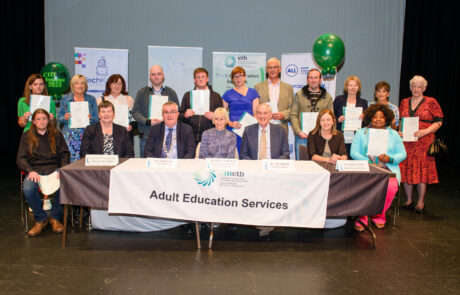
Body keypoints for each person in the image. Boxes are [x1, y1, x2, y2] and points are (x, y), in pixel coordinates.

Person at [351, 104, 406, 230]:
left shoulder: (394, 134)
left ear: (386, 118)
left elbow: (403, 154)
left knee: (391, 187)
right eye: (375, 117)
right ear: (370, 118)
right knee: (362, 186)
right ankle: (362, 217)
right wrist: (368, 162)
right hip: (366, 167)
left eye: (381, 117)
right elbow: (354, 153)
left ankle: (379, 215)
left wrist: (390, 159)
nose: (378, 119)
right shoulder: (361, 132)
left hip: (388, 168)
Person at [17, 109, 70, 237]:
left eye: (44, 118)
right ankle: (41, 219)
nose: (42, 121)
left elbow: (64, 154)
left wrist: (62, 169)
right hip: (35, 170)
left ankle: (55, 218)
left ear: (48, 120)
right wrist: (30, 171)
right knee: (28, 189)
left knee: (64, 184)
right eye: (38, 119)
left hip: (54, 168)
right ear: (33, 122)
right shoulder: (27, 136)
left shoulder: (56, 134)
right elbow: (21, 158)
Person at [399, 75, 443, 213]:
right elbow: (401, 120)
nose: (416, 89)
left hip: (424, 142)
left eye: (419, 86)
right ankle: (409, 199)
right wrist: (400, 131)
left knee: (421, 172)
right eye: (414, 86)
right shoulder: (404, 102)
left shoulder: (431, 102)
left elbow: (439, 122)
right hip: (407, 142)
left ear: (424, 88)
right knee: (406, 169)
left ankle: (420, 202)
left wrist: (425, 131)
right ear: (410, 87)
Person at [132, 65, 180, 157]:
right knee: (145, 167)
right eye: (153, 74)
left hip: (167, 137)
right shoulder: (141, 92)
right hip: (146, 136)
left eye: (159, 74)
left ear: (163, 75)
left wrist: (167, 119)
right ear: (150, 76)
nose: (156, 77)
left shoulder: (171, 93)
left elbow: (177, 112)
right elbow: (135, 112)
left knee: (165, 167)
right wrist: (147, 121)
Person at [290, 68, 334, 159]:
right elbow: (293, 115)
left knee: (320, 166)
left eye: (315, 77)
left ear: (320, 80)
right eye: (311, 78)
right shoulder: (299, 95)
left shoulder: (327, 97)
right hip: (302, 137)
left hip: (321, 137)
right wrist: (298, 132)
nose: (313, 80)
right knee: (302, 167)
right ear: (307, 80)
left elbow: (331, 117)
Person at [58, 75, 99, 162]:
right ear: (72, 85)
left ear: (85, 86)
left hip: (87, 135)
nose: (80, 86)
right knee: (69, 161)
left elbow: (97, 119)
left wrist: (90, 118)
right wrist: (65, 117)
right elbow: (59, 118)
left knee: (85, 161)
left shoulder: (91, 99)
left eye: (82, 83)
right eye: (77, 83)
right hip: (69, 135)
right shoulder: (65, 98)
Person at [179, 68, 223, 143]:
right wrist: (185, 115)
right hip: (190, 137)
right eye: (198, 77)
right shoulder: (187, 95)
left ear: (207, 79)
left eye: (203, 77)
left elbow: (222, 117)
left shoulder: (216, 96)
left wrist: (215, 117)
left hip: (210, 138)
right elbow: (179, 116)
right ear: (194, 80)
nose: (200, 79)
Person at [222, 66, 259, 151]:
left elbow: (256, 114)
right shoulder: (228, 94)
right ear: (232, 79)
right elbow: (221, 115)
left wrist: (249, 125)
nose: (238, 79)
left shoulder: (253, 93)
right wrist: (230, 123)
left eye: (241, 76)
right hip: (232, 130)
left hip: (249, 130)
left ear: (245, 77)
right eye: (235, 76)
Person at [254, 57, 294, 135]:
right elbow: (255, 108)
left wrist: (283, 115)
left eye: (275, 67)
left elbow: (292, 109)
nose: (272, 70)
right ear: (266, 69)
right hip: (263, 127)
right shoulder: (257, 87)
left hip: (281, 127)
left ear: (280, 69)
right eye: (270, 68)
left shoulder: (288, 88)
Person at [333, 75, 368, 156]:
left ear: (358, 87)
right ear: (346, 87)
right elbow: (331, 116)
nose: (353, 87)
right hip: (340, 137)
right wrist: (338, 119)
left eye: (355, 85)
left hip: (356, 139)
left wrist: (364, 118)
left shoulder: (363, 102)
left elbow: (367, 122)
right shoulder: (339, 99)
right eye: (350, 85)